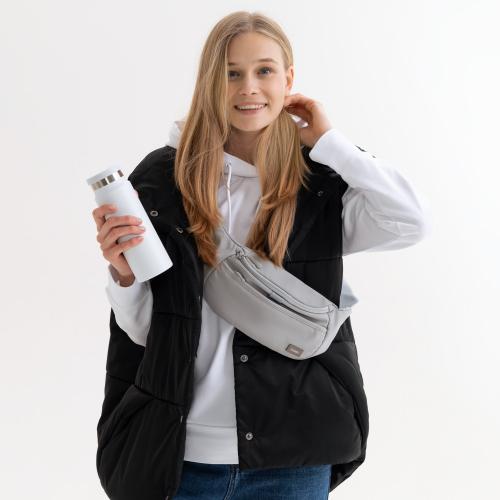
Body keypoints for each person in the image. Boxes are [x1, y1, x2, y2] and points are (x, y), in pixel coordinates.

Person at [92, 10, 431, 500]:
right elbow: (149, 332)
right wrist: (124, 277)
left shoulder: (319, 183)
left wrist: (331, 143)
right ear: (210, 82)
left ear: (289, 79)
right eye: (232, 73)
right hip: (178, 454)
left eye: (264, 70)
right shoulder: (163, 180)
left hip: (293, 456)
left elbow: (411, 221)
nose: (248, 87)